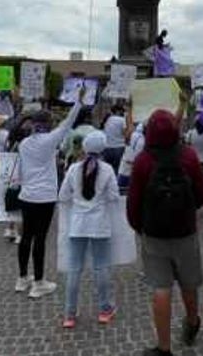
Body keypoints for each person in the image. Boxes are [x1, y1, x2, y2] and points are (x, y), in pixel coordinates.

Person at [127, 108, 203, 356]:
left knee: (161, 288)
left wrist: (139, 227)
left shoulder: (143, 160)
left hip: (154, 234)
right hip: (185, 231)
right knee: (189, 283)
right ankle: (192, 322)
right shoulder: (189, 156)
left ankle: (163, 348)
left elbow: (133, 201)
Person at [14, 89, 84, 299]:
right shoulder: (49, 140)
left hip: (26, 195)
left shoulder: (25, 143)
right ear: (47, 123)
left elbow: (22, 170)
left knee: (26, 236)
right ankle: (38, 282)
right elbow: (68, 123)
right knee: (40, 238)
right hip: (44, 197)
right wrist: (79, 102)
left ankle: (22, 278)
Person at [58, 131, 120, 328]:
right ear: (103, 148)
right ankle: (104, 309)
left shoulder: (74, 168)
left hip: (77, 224)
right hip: (100, 224)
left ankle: (69, 313)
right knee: (101, 267)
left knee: (74, 269)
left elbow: (63, 196)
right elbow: (114, 197)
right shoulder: (108, 169)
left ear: (84, 147)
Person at [102, 104, 129, 172]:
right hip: (118, 147)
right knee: (117, 169)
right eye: (122, 111)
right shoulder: (122, 120)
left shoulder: (108, 119)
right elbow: (125, 134)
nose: (123, 113)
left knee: (107, 170)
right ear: (118, 111)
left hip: (107, 148)